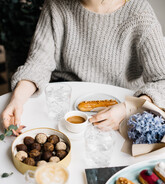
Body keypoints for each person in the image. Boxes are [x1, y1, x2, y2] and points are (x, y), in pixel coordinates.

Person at [1, 0, 165, 131]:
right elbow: (38, 64)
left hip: (119, 111)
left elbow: (162, 80)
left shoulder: (140, 14)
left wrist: (127, 109)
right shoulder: (56, 5)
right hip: (64, 107)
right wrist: (17, 99)